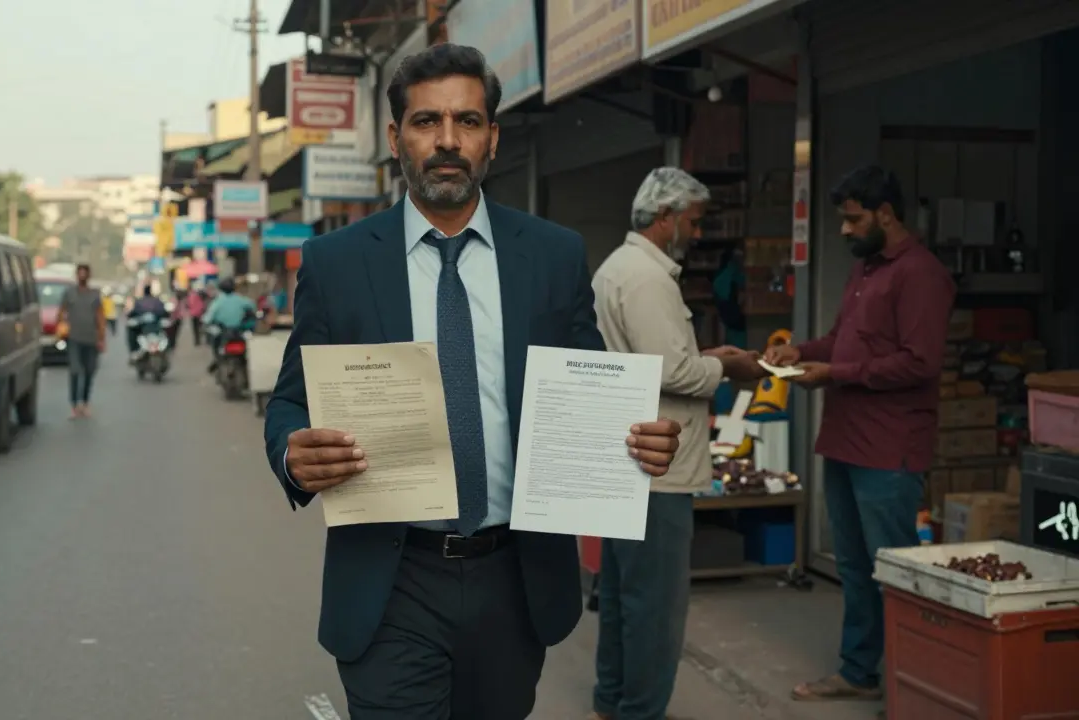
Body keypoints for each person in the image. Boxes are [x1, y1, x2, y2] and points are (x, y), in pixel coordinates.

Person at [263, 43, 683, 720]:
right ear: (396, 139)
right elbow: (289, 398)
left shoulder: (553, 255)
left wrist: (634, 440)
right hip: (391, 574)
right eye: (427, 122)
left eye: (468, 121)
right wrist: (291, 449)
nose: (448, 141)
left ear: (492, 136)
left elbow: (591, 390)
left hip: (514, 575)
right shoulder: (336, 263)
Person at [766, 166, 954, 707]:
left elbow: (919, 362)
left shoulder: (921, 274)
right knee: (853, 566)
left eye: (853, 220)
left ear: (886, 214)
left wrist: (836, 374)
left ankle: (909, 684)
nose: (844, 231)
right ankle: (859, 670)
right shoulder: (866, 270)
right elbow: (841, 341)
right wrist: (801, 352)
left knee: (892, 570)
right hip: (846, 439)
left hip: (889, 450)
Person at [588, 168, 768, 720]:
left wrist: (704, 359)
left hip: (630, 454)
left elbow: (657, 358)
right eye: (693, 220)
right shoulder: (646, 278)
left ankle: (612, 699)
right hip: (657, 465)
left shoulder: (620, 269)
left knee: (622, 594)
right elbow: (672, 370)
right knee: (657, 605)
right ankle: (639, 709)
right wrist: (728, 366)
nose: (697, 231)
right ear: (665, 219)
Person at [57, 263, 106, 419]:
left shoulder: (94, 295)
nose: (82, 276)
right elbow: (62, 312)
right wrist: (62, 327)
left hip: (91, 339)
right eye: (80, 274)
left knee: (89, 371)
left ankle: (84, 402)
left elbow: (100, 317)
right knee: (75, 371)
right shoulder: (69, 293)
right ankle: (74, 405)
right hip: (74, 338)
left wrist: (101, 338)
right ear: (77, 276)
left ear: (89, 276)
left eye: (85, 273)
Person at [127, 284, 169, 357]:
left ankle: (133, 351)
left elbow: (132, 313)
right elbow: (164, 312)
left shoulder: (139, 302)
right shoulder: (157, 301)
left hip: (152, 329)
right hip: (148, 329)